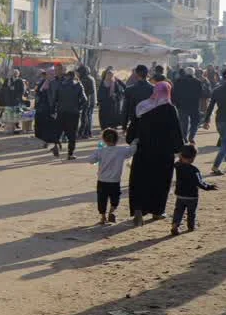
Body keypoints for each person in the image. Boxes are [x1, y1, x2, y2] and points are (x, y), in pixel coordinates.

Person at [126, 81, 183, 227]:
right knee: (160, 182)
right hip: (163, 154)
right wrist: (179, 149)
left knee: (140, 181)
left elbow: (131, 132)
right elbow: (176, 133)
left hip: (143, 152)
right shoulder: (170, 109)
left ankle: (138, 209)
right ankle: (157, 211)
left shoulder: (142, 107)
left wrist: (132, 141)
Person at [88, 127, 134, 224]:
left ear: (104, 139)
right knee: (115, 197)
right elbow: (132, 150)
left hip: (102, 180)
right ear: (117, 139)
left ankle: (103, 217)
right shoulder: (121, 150)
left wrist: (99, 149)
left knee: (102, 199)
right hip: (115, 180)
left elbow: (91, 160)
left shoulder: (100, 151)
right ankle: (112, 211)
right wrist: (135, 141)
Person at [170, 144, 218, 237]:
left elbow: (174, 163)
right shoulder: (194, 170)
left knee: (178, 211)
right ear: (193, 158)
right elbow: (200, 183)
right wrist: (209, 187)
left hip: (180, 194)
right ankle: (191, 226)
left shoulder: (178, 165)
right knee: (191, 212)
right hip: (192, 196)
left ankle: (175, 224)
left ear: (181, 156)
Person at [54, 70, 87, 159]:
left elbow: (55, 98)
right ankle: (70, 154)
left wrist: (56, 108)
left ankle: (56, 146)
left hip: (61, 112)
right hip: (73, 113)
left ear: (67, 76)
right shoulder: (78, 85)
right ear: (75, 76)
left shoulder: (60, 85)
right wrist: (78, 107)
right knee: (72, 134)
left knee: (58, 131)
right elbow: (84, 100)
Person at [172, 67, 206, 143]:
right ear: (193, 73)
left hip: (181, 106)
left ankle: (184, 137)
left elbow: (174, 94)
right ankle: (192, 136)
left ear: (185, 73)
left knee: (184, 122)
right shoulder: (197, 82)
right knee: (195, 121)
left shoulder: (178, 81)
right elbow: (201, 93)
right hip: (194, 105)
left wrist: (175, 103)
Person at [33, 70, 58, 149]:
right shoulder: (42, 82)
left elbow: (54, 97)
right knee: (40, 125)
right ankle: (43, 141)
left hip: (49, 108)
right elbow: (37, 92)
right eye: (46, 74)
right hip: (41, 108)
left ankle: (48, 142)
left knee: (48, 126)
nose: (47, 76)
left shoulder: (55, 83)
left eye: (49, 74)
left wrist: (54, 108)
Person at [2, 69, 26, 134]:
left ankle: (16, 124)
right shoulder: (7, 80)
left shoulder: (20, 81)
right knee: (9, 112)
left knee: (16, 112)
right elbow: (3, 88)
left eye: (16, 73)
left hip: (16, 99)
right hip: (9, 99)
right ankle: (9, 125)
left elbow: (22, 90)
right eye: (14, 73)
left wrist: (19, 97)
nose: (15, 74)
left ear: (18, 74)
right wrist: (8, 87)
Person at [76, 65, 97, 139]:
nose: (77, 74)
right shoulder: (90, 78)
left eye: (78, 72)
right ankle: (87, 132)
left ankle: (85, 133)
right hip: (90, 101)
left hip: (87, 101)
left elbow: (88, 92)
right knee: (88, 117)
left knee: (85, 117)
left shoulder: (86, 79)